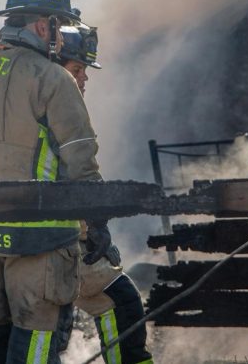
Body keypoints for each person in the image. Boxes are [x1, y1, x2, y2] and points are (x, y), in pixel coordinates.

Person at [0, 0, 112, 364]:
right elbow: (81, 161)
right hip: (41, 242)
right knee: (35, 340)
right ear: (42, 26)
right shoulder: (54, 79)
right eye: (59, 26)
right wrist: (98, 224)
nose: (61, 35)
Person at [53, 26, 154, 364]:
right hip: (51, 244)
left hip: (49, 239)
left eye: (84, 72)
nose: (83, 80)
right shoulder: (56, 111)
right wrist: (94, 227)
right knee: (120, 301)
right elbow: (72, 179)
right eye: (76, 70)